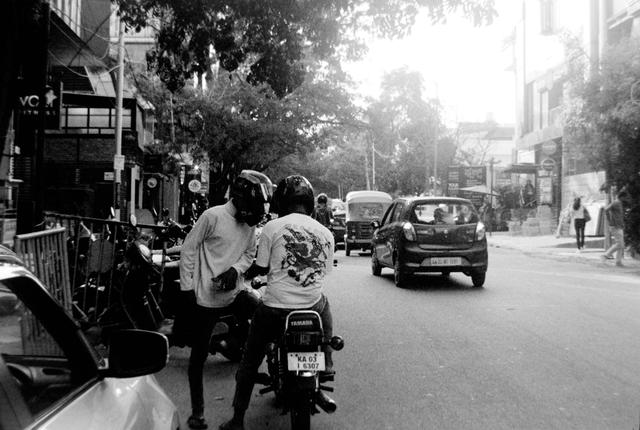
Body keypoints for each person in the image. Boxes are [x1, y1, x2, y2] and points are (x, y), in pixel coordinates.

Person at [220, 175, 335, 430]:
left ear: (281, 202)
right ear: (310, 203)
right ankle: (326, 361)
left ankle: (237, 420)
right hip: (312, 308)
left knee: (250, 361)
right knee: (324, 301)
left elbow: (261, 267)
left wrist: (242, 274)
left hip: (274, 310)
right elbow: (324, 271)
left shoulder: (272, 228)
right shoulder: (326, 232)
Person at [179, 170, 273, 430]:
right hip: (206, 298)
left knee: (265, 315)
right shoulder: (212, 217)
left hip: (235, 293)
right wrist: (187, 288)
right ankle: (197, 412)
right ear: (240, 198)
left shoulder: (249, 225)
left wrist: (235, 270)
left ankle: (275, 368)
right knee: (197, 358)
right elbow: (188, 249)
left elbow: (249, 253)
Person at [602, 191, 626, 266]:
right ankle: (605, 255)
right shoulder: (616, 202)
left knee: (621, 244)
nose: (626, 199)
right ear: (622, 197)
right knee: (620, 244)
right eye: (625, 197)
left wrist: (622, 224)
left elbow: (619, 215)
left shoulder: (619, 203)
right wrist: (609, 220)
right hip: (615, 226)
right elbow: (606, 209)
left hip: (619, 226)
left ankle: (618, 262)